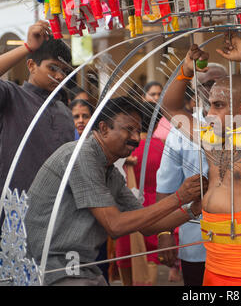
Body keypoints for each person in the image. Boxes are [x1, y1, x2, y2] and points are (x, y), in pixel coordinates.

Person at [24, 96, 208, 286]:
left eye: (138, 130)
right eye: (128, 129)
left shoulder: (110, 172)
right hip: (52, 268)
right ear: (103, 128)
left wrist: (195, 208)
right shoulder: (81, 155)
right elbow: (115, 225)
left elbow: (148, 225)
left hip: (80, 267)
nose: (136, 138)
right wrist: (179, 197)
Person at [162, 33, 241, 286]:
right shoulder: (211, 139)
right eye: (209, 105)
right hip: (215, 260)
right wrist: (185, 69)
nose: (209, 114)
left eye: (218, 105)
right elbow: (171, 108)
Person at [156, 65, 228, 286]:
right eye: (208, 85)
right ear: (196, 91)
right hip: (197, 240)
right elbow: (166, 186)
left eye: (221, 84)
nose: (215, 90)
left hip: (240, 239)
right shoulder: (181, 130)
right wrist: (164, 232)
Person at [0, 21, 75, 195]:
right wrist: (27, 47)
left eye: (64, 71)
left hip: (57, 210)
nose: (59, 76)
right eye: (53, 67)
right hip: (15, 208)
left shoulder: (64, 111)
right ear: (32, 65)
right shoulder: (12, 96)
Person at [115, 102, 165, 286]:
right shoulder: (163, 147)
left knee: (127, 258)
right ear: (159, 120)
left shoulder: (124, 149)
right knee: (151, 260)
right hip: (155, 208)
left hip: (127, 211)